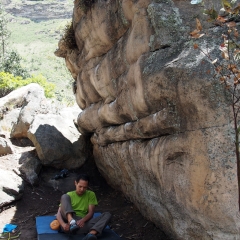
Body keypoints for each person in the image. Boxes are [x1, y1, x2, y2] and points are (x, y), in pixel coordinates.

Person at [56, 174, 111, 240]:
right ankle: (71, 222)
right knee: (64, 196)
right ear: (75, 183)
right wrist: (63, 224)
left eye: (85, 187)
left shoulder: (91, 194)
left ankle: (91, 234)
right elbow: (59, 213)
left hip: (82, 224)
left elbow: (91, 212)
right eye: (80, 186)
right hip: (69, 224)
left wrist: (83, 220)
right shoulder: (69, 195)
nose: (82, 189)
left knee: (107, 215)